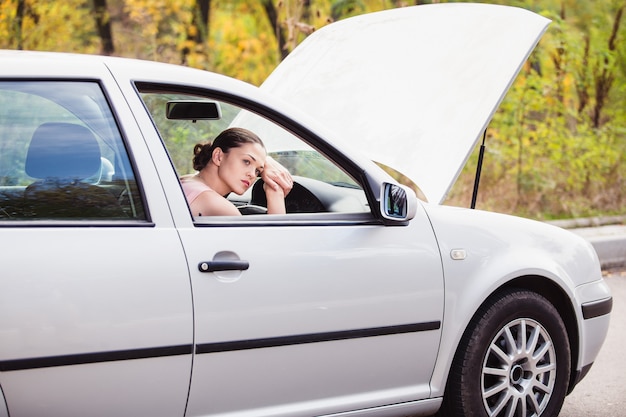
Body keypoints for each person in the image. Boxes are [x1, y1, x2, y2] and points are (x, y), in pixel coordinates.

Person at [180, 127, 292, 216]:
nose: (252, 174)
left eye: (258, 171)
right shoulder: (217, 206)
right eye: (246, 162)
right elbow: (276, 243)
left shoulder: (186, 181)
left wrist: (266, 160)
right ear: (218, 156)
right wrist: (275, 193)